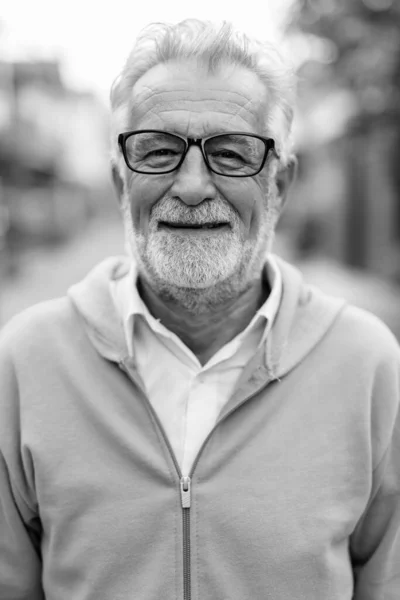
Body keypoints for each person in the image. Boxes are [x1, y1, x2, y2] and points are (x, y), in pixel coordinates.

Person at [0, 19, 399, 600]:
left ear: (279, 186)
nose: (191, 186)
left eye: (231, 154)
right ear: (120, 184)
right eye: (158, 152)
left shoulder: (368, 366)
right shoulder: (23, 362)